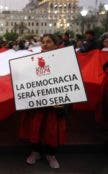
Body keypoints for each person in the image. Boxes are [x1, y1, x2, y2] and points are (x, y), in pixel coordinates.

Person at [19, 34, 69, 169]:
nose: (45, 44)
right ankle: (35, 152)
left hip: (56, 104)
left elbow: (69, 80)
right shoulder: (32, 60)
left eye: (49, 41)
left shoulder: (65, 60)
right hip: (38, 103)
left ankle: (51, 155)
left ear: (56, 44)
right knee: (36, 128)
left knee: (52, 130)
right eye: (43, 42)